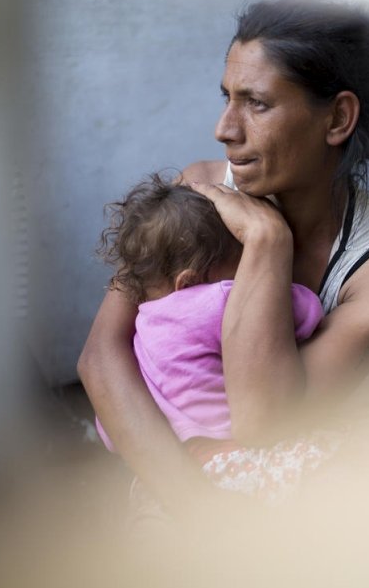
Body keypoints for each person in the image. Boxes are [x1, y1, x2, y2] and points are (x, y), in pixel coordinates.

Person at [77, 0, 369, 512]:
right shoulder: (200, 193)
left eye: (257, 103)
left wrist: (268, 243)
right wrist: (195, 508)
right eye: (226, 97)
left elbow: (262, 421)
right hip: (194, 489)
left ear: (337, 119)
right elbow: (100, 357)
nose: (224, 128)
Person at [91, 174, 325, 487]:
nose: (243, 274)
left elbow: (110, 432)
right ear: (188, 281)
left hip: (183, 471)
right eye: (238, 265)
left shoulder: (140, 330)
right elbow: (308, 310)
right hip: (239, 457)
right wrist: (266, 253)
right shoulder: (215, 299)